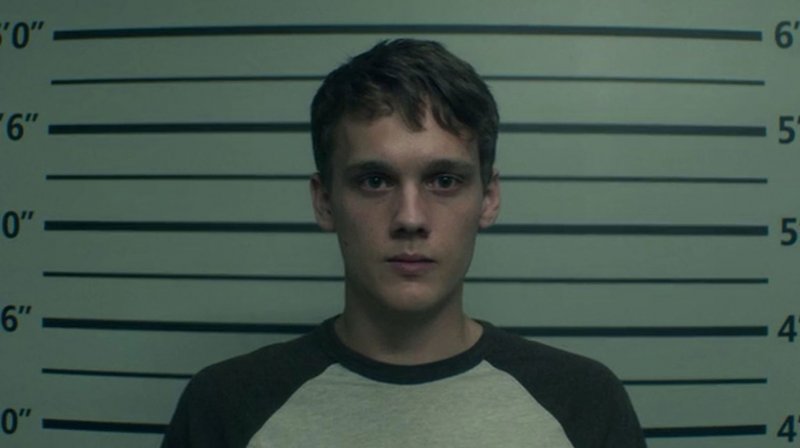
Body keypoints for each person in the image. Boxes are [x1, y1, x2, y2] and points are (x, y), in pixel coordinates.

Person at [161, 39, 646, 448]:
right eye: (374, 181)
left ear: (489, 198)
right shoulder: (223, 408)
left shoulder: (585, 404)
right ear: (324, 201)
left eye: (444, 181)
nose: (410, 218)